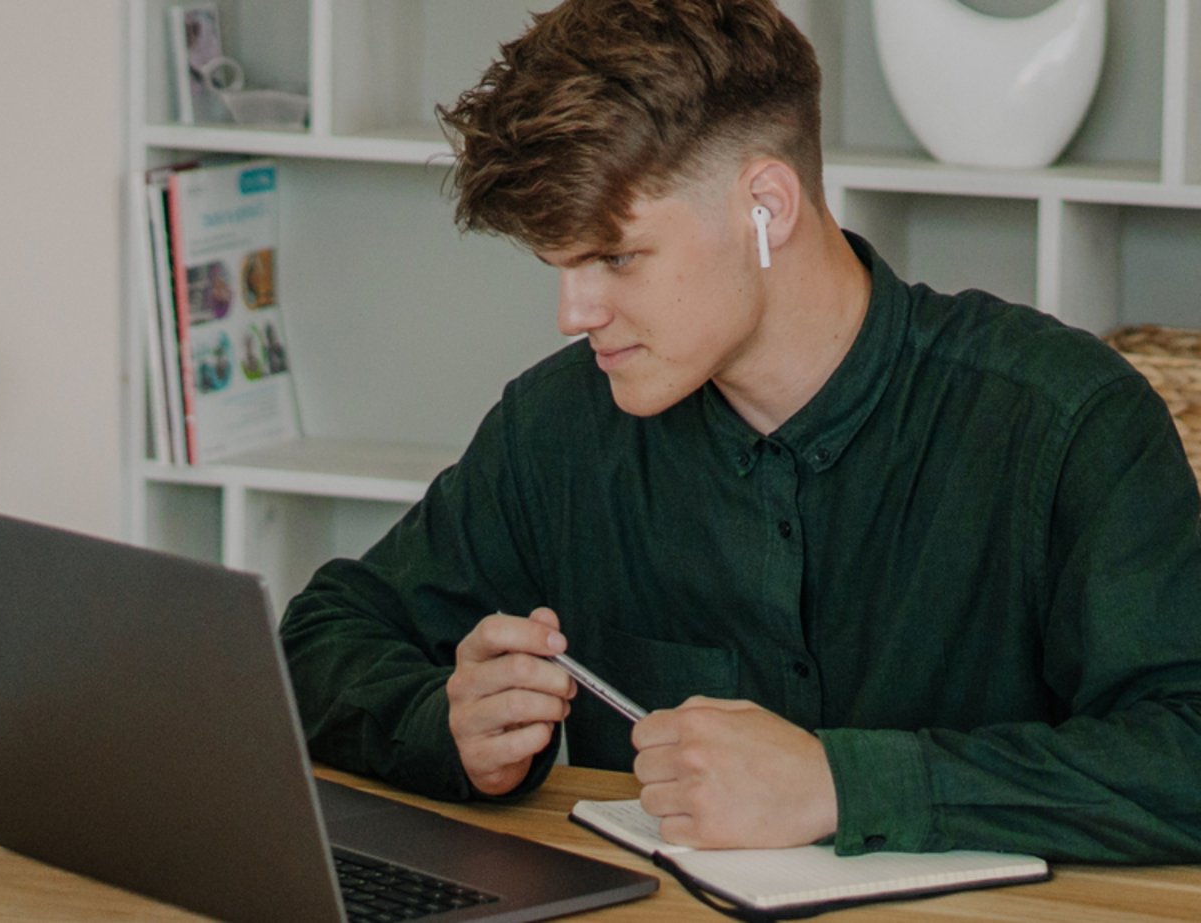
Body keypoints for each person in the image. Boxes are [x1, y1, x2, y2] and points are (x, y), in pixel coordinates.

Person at [279, 0, 1201, 864]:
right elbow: (321, 636)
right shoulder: (560, 427)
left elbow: (1184, 748)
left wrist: (846, 785)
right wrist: (444, 723)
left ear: (767, 205)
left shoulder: (1064, 422)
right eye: (559, 264)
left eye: (616, 256)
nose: (572, 311)